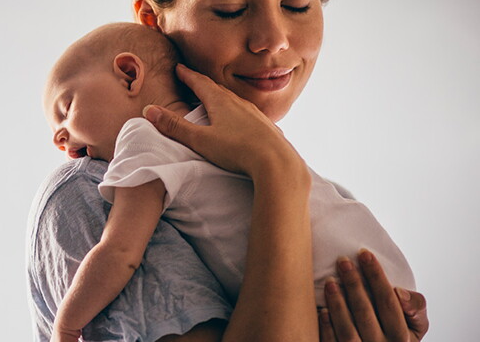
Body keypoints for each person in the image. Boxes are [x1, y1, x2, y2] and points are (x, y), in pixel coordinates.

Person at [26, 0, 430, 341]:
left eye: (297, 2)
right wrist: (276, 175)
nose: (273, 39)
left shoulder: (325, 200)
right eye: (230, 9)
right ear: (153, 20)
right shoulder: (91, 194)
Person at [42, 22, 416, 342]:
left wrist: (67, 324)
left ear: (129, 74)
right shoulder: (239, 131)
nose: (59, 138)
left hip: (328, 294)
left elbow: (120, 252)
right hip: (382, 278)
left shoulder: (144, 137)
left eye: (66, 108)